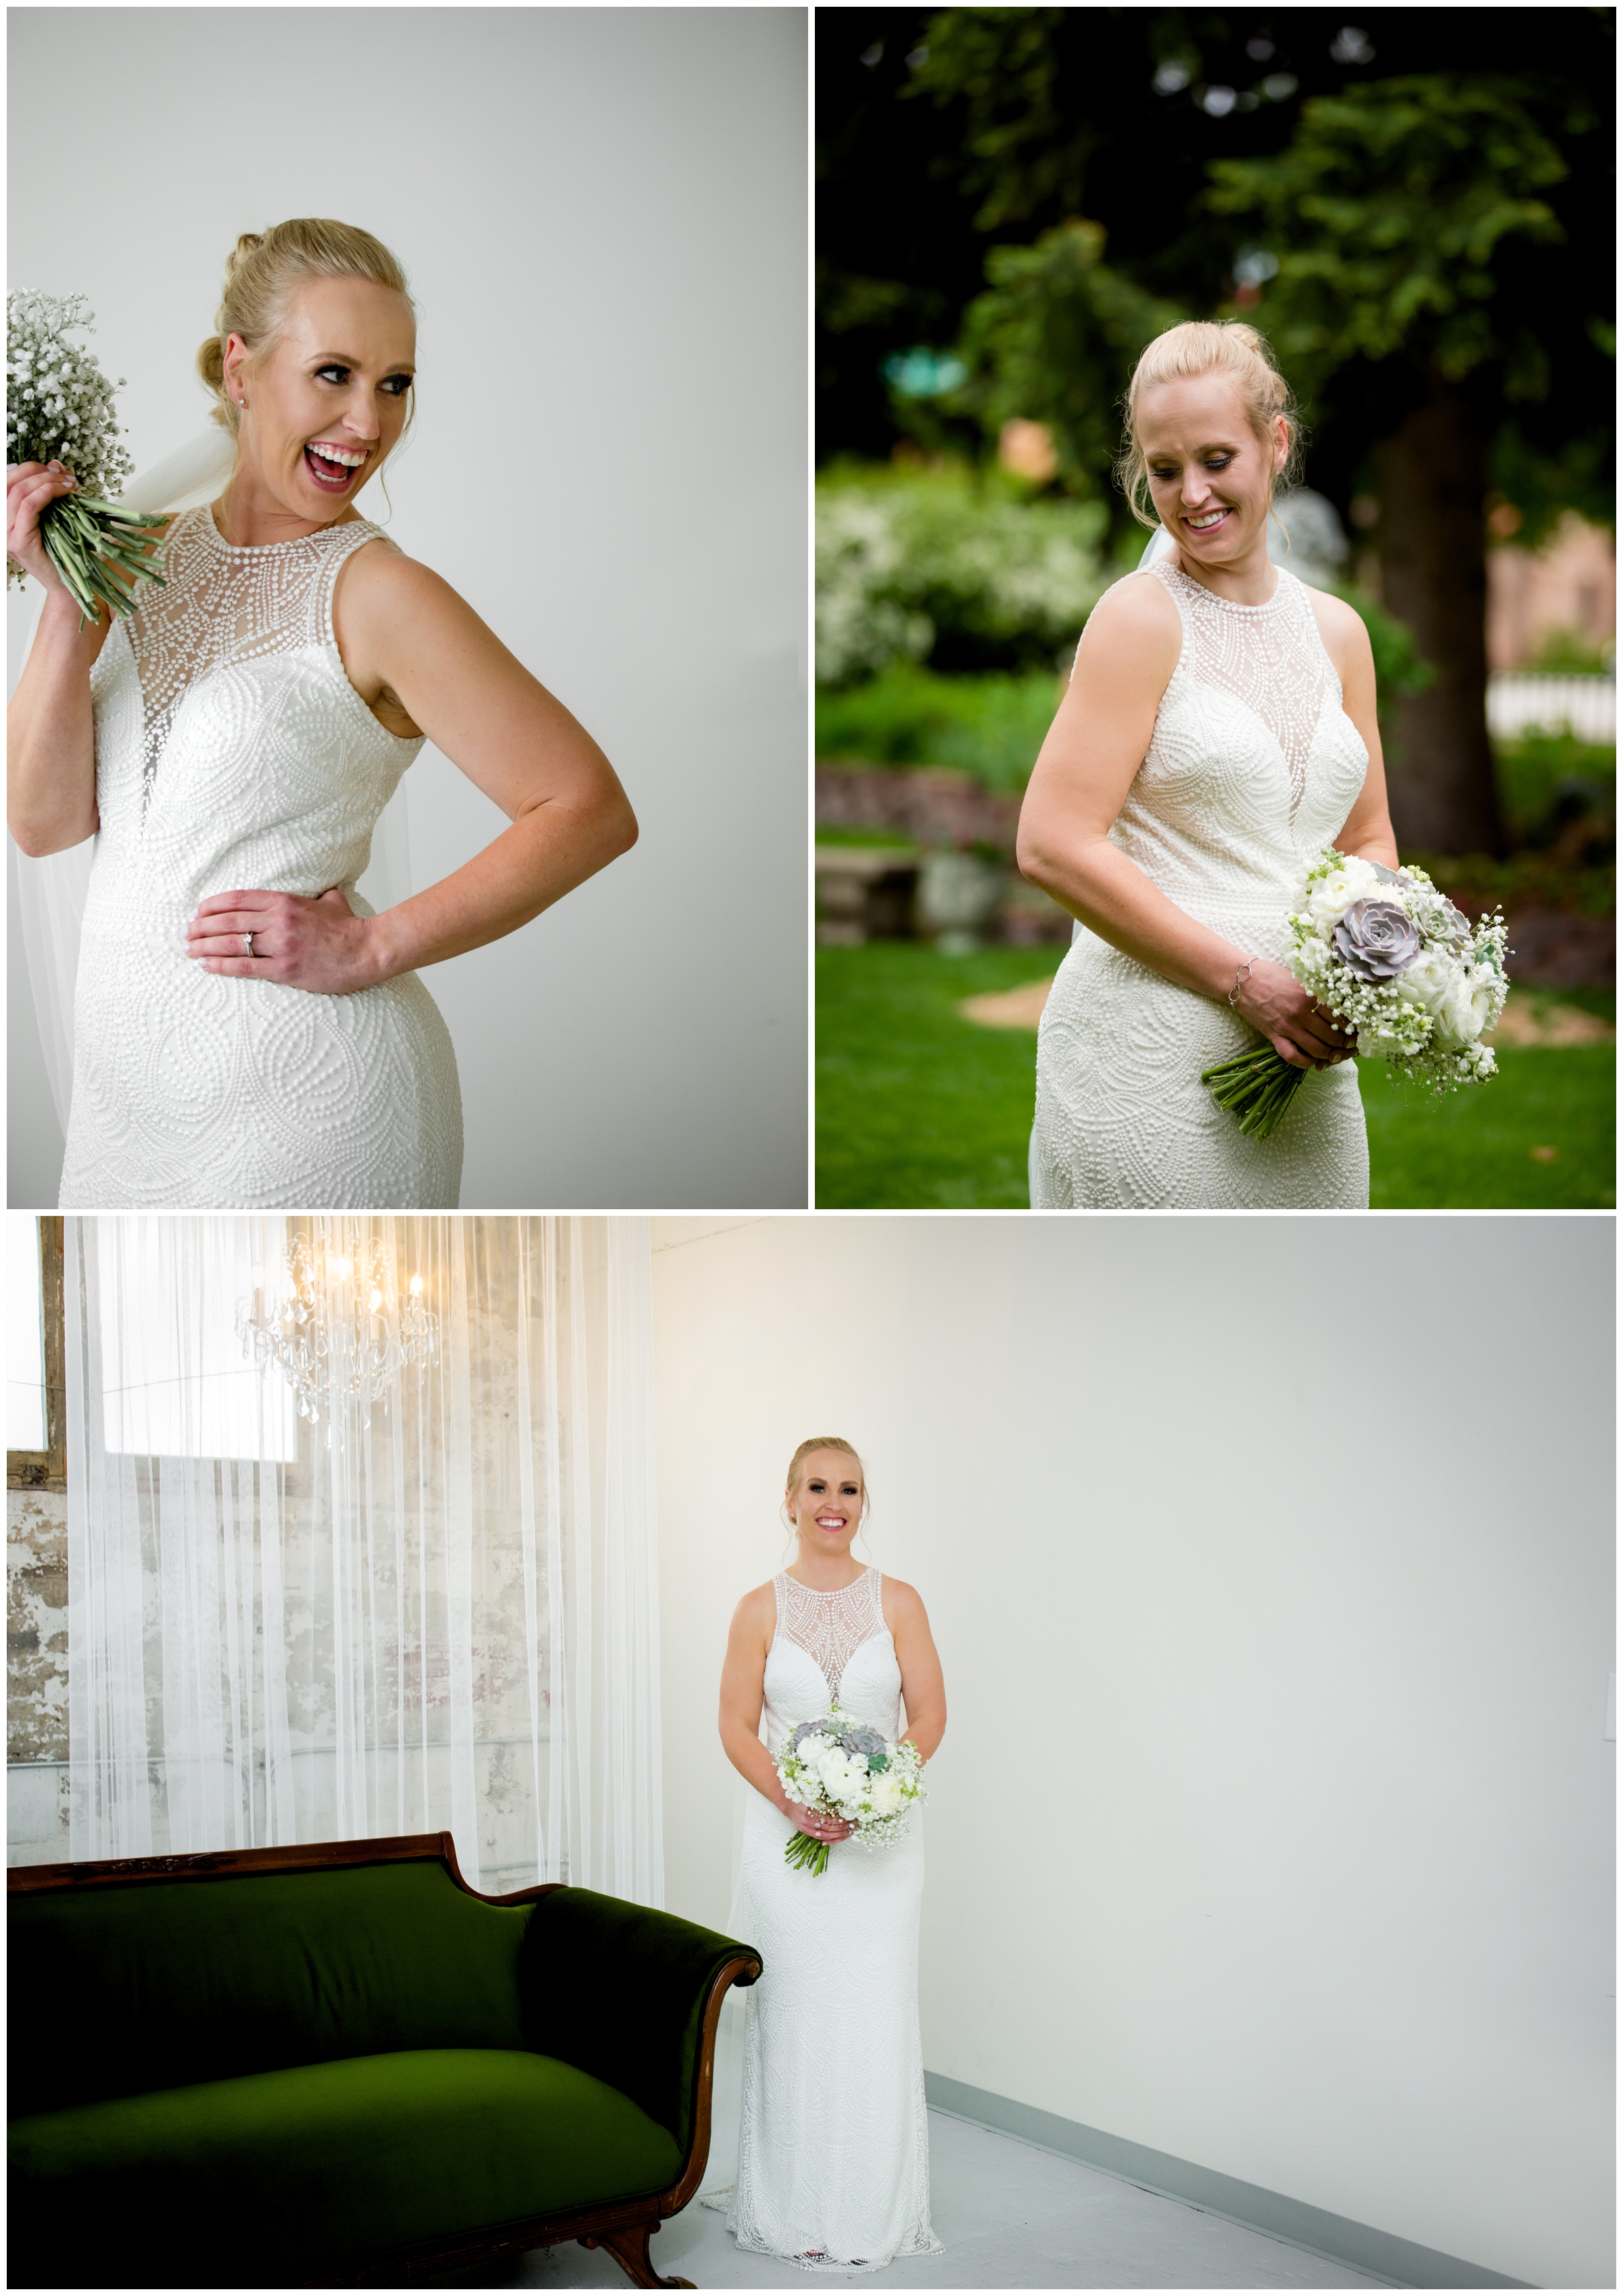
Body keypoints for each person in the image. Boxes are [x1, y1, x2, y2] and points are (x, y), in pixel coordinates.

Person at [7, 218, 636, 1209]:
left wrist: (372, 945)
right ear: (240, 370)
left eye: (395, 384)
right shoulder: (138, 557)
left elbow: (587, 806)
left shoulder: (384, 594)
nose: (370, 422)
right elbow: (44, 824)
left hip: (307, 1108)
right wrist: (65, 603)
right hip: (123, 1116)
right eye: (335, 374)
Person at [1018, 320, 1398, 1209]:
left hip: (1308, 1069)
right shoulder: (1140, 619)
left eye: (1217, 458)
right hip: (1152, 1062)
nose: (1191, 494)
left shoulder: (1341, 633)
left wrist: (1366, 965)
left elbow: (1369, 832)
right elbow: (1052, 843)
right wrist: (1248, 982)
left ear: (1277, 443)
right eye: (1164, 469)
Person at [709, 1438, 946, 2271]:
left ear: (862, 1502)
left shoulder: (902, 1601)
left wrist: (882, 1785)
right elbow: (737, 1725)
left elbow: (928, 1715)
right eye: (816, 1486)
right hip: (784, 1844)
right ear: (789, 1499)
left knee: (873, 2009)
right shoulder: (757, 1608)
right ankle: (793, 2205)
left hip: (882, 1847)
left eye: (848, 1487)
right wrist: (790, 1797)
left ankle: (869, 2209)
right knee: (799, 2009)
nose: (832, 1501)